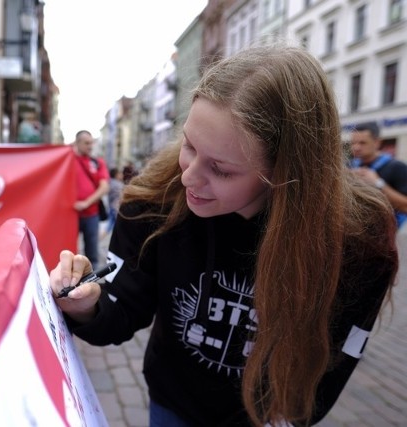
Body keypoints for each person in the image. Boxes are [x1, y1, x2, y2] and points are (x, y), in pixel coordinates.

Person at [50, 45, 397, 426]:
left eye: (222, 169)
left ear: (285, 172)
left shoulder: (358, 237)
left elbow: (334, 359)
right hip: (173, 402)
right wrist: (86, 305)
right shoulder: (155, 201)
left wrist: (290, 418)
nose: (189, 177)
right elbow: (122, 311)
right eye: (189, 145)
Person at [350, 121, 407, 229]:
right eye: (353, 143)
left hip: (386, 236)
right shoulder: (350, 166)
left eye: (362, 143)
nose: (356, 147)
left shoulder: (397, 167)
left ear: (377, 142)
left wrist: (378, 183)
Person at [73, 130, 110, 269]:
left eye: (91, 142)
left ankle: (90, 282)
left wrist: (86, 203)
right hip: (71, 214)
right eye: (86, 143)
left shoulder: (97, 162)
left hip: (91, 214)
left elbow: (104, 187)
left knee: (92, 253)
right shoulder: (68, 160)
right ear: (77, 143)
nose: (90, 146)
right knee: (68, 250)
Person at [106, 167, 124, 234]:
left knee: (110, 225)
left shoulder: (110, 182)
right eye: (120, 173)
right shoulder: (119, 185)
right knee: (115, 225)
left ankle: (99, 237)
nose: (122, 175)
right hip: (116, 208)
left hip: (111, 206)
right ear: (116, 175)